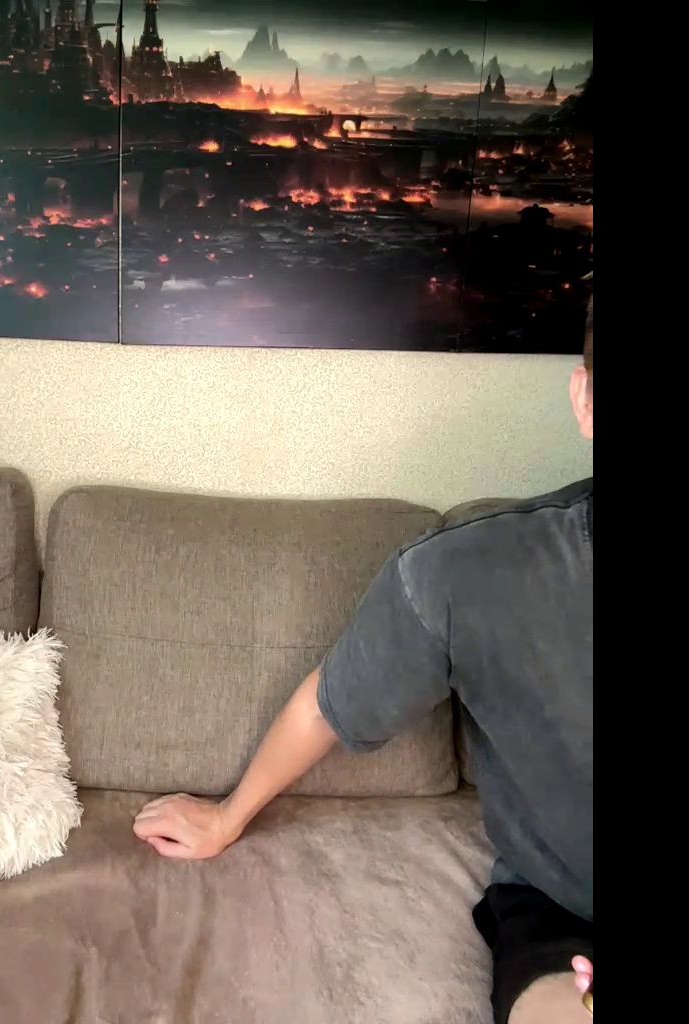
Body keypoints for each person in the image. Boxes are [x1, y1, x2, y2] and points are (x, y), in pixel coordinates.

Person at [133, 299, 593, 1023]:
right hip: (561, 919)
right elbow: (328, 704)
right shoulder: (469, 575)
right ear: (585, 400)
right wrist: (227, 816)